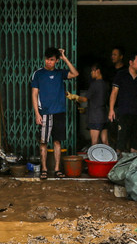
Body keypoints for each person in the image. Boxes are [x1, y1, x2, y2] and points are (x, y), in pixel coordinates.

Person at [31, 46, 79, 179]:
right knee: (43, 142)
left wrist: (65, 58)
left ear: (57, 61)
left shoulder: (60, 73)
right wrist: (37, 113)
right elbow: (34, 94)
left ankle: (57, 169)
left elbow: (75, 73)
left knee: (57, 141)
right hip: (44, 112)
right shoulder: (38, 74)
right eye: (47, 59)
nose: (48, 62)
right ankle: (44, 169)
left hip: (59, 112)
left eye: (52, 60)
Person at [109, 53, 137, 154]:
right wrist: (111, 109)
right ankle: (119, 167)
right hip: (124, 113)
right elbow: (114, 92)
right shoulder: (121, 75)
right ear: (131, 62)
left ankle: (133, 167)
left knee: (136, 144)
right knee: (121, 143)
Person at [84, 62, 111, 146]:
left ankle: (94, 159)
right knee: (105, 142)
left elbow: (85, 98)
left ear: (98, 71)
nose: (91, 73)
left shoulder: (94, 84)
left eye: (92, 70)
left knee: (94, 143)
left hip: (95, 116)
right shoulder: (106, 85)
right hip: (104, 115)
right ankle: (108, 158)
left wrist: (74, 97)